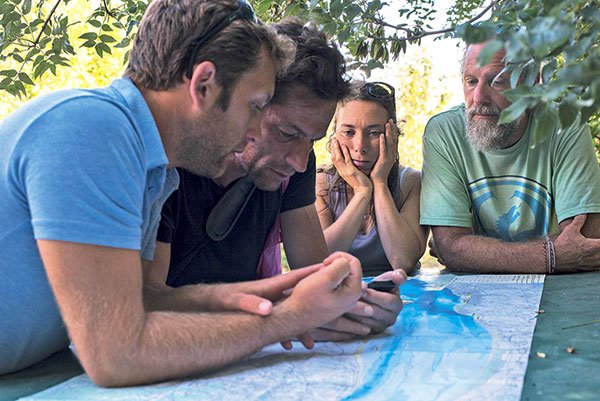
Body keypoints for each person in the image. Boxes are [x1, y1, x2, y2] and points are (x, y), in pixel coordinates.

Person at [0, 0, 365, 386]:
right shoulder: (94, 127)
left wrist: (264, 297)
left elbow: (143, 298)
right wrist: (289, 319)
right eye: (254, 106)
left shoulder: (157, 172)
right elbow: (116, 355)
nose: (255, 129)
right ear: (204, 85)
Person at [146, 19, 406, 342]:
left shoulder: (295, 164)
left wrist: (357, 305)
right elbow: (145, 303)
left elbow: (313, 273)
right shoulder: (168, 161)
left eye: (311, 141)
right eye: (286, 133)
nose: (299, 162)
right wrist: (282, 318)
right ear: (252, 103)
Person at [420, 41, 600, 274]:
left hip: (562, 292)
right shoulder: (444, 132)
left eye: (497, 81)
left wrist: (475, 252)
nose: (478, 97)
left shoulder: (565, 126)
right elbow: (451, 248)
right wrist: (552, 255)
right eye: (471, 81)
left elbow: (585, 239)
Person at [315, 81, 428, 276]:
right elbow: (319, 263)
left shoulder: (411, 182)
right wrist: (362, 192)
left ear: (392, 135)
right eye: (349, 132)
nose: (360, 146)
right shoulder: (319, 184)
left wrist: (380, 183)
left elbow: (404, 262)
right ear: (334, 136)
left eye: (374, 133)